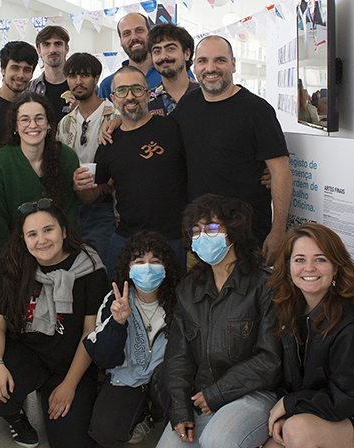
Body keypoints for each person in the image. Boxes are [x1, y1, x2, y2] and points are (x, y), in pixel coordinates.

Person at [0, 200, 108, 448]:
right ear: (24, 239)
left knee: (72, 443)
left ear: (64, 231)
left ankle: (67, 393)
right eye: (32, 234)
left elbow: (89, 333)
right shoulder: (14, 265)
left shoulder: (90, 267)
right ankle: (16, 416)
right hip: (28, 352)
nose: (42, 240)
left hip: (71, 360)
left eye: (48, 230)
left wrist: (69, 385)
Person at [158, 194, 281, 448]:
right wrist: (180, 409)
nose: (203, 236)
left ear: (233, 231)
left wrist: (218, 392)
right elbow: (178, 357)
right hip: (203, 396)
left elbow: (270, 359)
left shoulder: (264, 285)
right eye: (195, 231)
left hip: (254, 394)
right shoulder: (188, 289)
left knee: (218, 440)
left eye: (212, 228)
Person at [263, 223, 354, 448]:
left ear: (336, 268)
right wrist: (289, 409)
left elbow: (347, 399)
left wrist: (290, 404)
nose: (309, 268)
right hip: (314, 416)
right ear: (287, 268)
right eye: (300, 260)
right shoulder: (290, 314)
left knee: (296, 430)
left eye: (320, 259)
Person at [171, 35, 293, 263]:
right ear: (194, 66)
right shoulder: (187, 106)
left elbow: (281, 171)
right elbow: (162, 138)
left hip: (247, 237)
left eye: (220, 60)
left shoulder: (257, 110)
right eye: (203, 61)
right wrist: (119, 121)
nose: (210, 68)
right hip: (200, 237)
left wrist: (278, 231)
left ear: (234, 64)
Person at [75, 66, 187, 277]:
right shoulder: (108, 144)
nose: (129, 97)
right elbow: (92, 195)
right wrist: (80, 186)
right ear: (112, 98)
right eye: (121, 90)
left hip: (172, 237)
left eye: (136, 89)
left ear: (148, 93)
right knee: (116, 292)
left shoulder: (172, 128)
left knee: (175, 295)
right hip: (127, 238)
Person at [84, 231, 184, 446]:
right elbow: (103, 358)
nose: (147, 268)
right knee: (104, 432)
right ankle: (141, 414)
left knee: (170, 382)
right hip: (126, 378)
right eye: (139, 262)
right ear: (128, 268)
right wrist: (117, 324)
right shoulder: (115, 300)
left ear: (166, 267)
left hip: (165, 378)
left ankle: (162, 413)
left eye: (155, 261)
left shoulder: (181, 301)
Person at [0, 92, 80, 252]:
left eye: (39, 118)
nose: (32, 125)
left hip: (58, 249)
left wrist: (66, 254)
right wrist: (9, 261)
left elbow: (70, 213)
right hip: (15, 251)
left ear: (48, 123)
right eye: (24, 120)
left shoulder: (67, 157)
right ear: (15, 126)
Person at [57, 52, 118, 263]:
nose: (78, 81)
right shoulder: (65, 123)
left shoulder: (115, 115)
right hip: (71, 207)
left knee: (101, 266)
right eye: (72, 76)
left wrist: (105, 185)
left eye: (84, 75)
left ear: (96, 78)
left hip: (105, 206)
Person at [98, 13, 163, 99]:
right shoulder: (108, 86)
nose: (134, 37)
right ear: (121, 41)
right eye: (126, 33)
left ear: (150, 34)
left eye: (139, 30)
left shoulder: (171, 73)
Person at [146, 23, 199, 116]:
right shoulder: (146, 102)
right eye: (157, 51)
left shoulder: (206, 94)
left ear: (187, 54)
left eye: (170, 49)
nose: (163, 56)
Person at [0, 41, 39, 143]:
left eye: (27, 70)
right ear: (3, 69)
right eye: (15, 68)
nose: (20, 75)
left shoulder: (32, 106)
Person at [28, 25, 72, 120]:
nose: (52, 50)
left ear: (66, 49)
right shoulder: (30, 89)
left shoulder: (84, 87)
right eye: (46, 45)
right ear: (39, 51)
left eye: (58, 44)